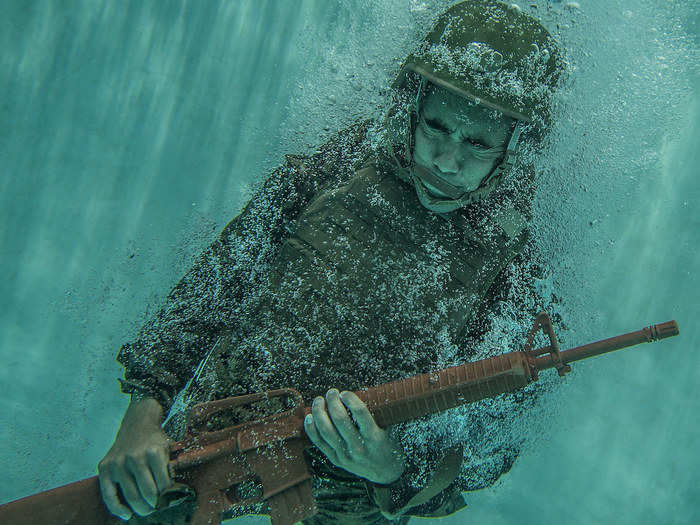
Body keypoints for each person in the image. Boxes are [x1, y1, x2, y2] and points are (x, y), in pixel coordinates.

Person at [98, 1, 567, 523]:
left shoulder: (513, 268)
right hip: (206, 455)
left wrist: (393, 469)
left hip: (349, 505)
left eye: (478, 143)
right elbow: (213, 287)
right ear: (412, 107)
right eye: (435, 127)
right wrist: (142, 416)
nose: (446, 160)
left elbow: (492, 444)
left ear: (514, 148)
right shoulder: (335, 169)